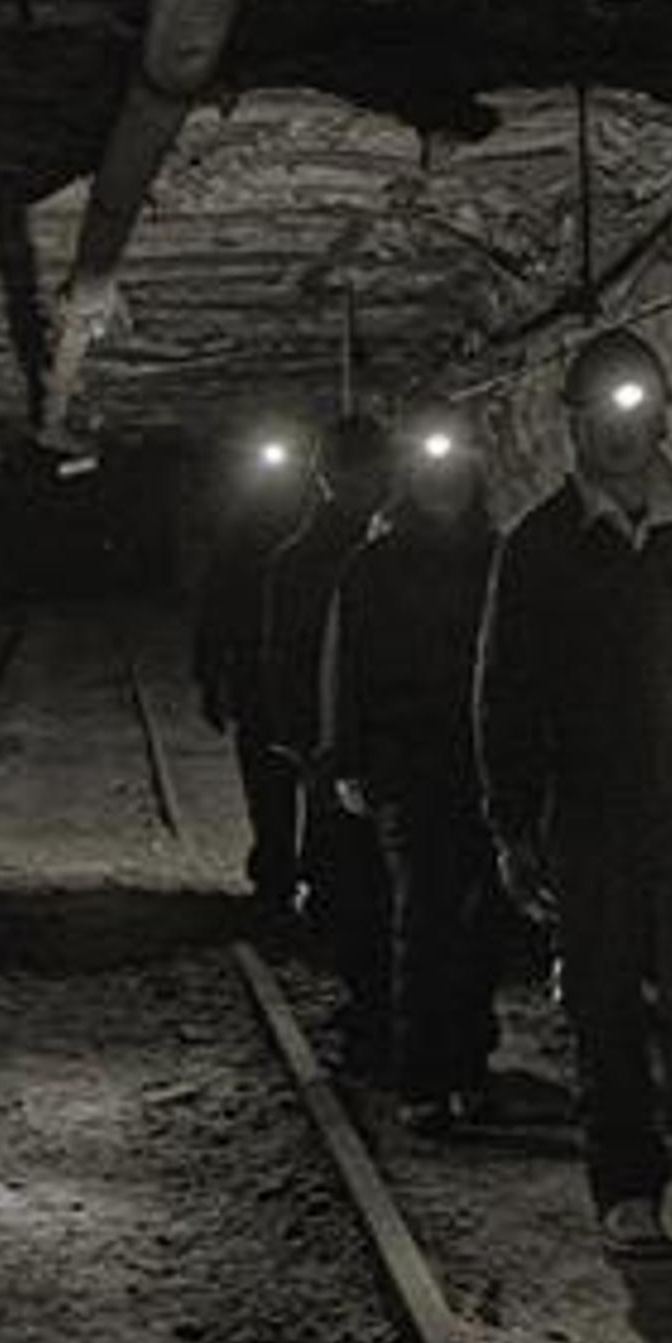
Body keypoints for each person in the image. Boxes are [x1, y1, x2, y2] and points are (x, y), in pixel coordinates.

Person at [476, 327, 672, 1302]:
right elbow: (506, 690)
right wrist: (513, 820)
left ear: (659, 415)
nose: (617, 433)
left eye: (632, 411)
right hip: (592, 814)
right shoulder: (538, 548)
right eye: (597, 415)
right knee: (604, 1008)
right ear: (573, 424)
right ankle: (628, 1191)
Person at [317, 415, 502, 1136]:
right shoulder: (375, 566)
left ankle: (471, 1066)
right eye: (432, 469)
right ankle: (424, 1074)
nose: (445, 481)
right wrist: (347, 759)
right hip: (408, 765)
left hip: (484, 762)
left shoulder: (498, 558)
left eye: (456, 467)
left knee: (483, 917)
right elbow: (347, 663)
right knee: (425, 914)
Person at [258, 413, 394, 1071]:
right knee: (350, 881)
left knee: (376, 883)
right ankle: (372, 1004)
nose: (364, 482)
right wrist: (302, 742)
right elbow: (286, 657)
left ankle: (384, 1007)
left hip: (388, 746)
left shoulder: (398, 547)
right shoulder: (303, 561)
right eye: (352, 470)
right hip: (340, 745)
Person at [194, 427, 312, 925]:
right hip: (266, 679)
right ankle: (283, 875)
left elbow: (212, 610)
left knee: (273, 786)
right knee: (278, 786)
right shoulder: (250, 540)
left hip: (269, 679)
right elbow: (216, 610)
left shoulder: (248, 537)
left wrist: (209, 680)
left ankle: (283, 875)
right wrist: (209, 677)